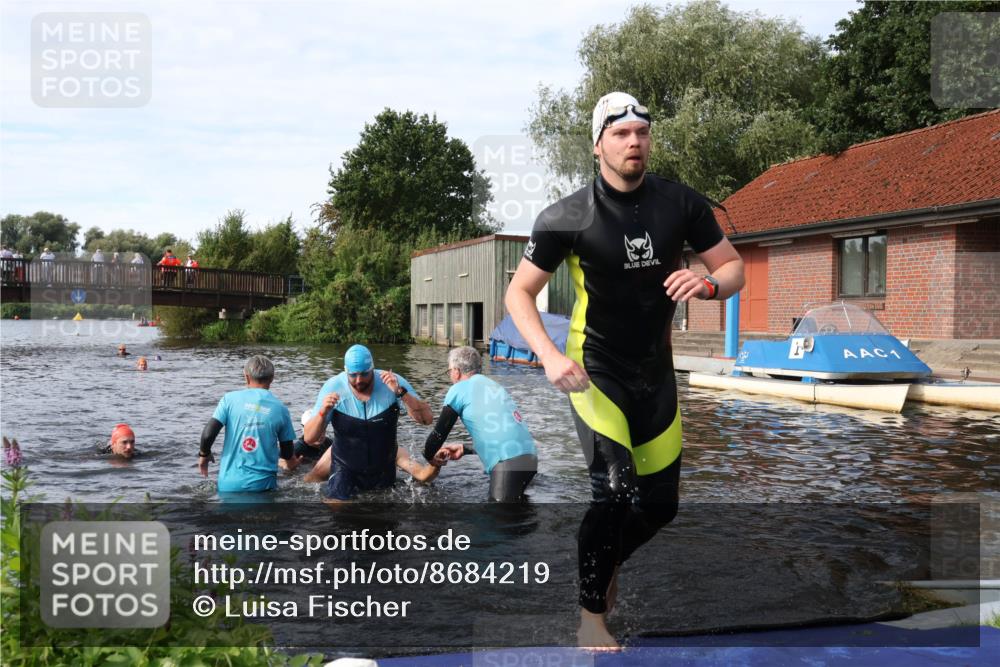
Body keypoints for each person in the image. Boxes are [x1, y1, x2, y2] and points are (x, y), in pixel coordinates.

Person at [504, 91, 745, 650]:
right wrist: (549, 355)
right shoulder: (566, 216)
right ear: (598, 145)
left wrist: (708, 284)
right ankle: (591, 614)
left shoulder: (681, 204)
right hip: (596, 370)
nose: (633, 141)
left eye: (641, 132)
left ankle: (605, 559)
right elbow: (519, 294)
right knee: (613, 492)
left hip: (655, 371)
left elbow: (734, 268)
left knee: (661, 507)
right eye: (620, 133)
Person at [301, 344, 458, 501]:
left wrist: (401, 393)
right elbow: (309, 438)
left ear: (372, 369)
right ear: (345, 371)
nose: (359, 380)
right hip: (345, 468)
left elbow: (426, 419)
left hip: (384, 470)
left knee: (385, 510)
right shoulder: (333, 386)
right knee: (337, 505)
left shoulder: (392, 382)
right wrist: (322, 412)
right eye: (353, 375)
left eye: (364, 374)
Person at [424, 346, 538, 502]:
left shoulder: (458, 389)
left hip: (508, 462)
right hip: (530, 457)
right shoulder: (494, 386)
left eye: (449, 371)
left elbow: (438, 435)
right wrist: (465, 449)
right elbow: (502, 433)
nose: (450, 375)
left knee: (499, 514)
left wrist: (429, 456)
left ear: (456, 371)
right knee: (520, 510)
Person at [198, 355, 301, 493]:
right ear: (272, 378)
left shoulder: (229, 400)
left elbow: (208, 434)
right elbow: (287, 453)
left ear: (246, 377)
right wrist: (287, 460)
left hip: (228, 486)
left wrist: (204, 454)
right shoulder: (281, 409)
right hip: (263, 487)